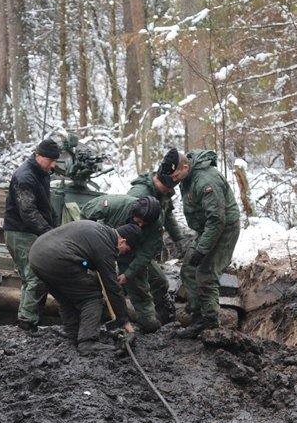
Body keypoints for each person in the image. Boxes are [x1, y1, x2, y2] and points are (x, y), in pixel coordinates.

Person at [29, 220, 139, 355]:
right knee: (92, 297)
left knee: (66, 297)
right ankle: (88, 342)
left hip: (36, 256)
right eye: (125, 251)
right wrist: (124, 321)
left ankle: (73, 333)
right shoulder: (106, 245)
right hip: (56, 258)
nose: (121, 254)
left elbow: (85, 258)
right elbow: (112, 287)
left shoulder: (99, 230)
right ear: (122, 241)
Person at [166, 148, 241, 338]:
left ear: (185, 166)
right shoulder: (187, 177)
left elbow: (217, 220)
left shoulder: (206, 180)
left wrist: (202, 249)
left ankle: (210, 324)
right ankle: (197, 315)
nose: (174, 179)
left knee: (206, 275)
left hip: (223, 229)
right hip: (206, 229)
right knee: (189, 270)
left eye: (176, 175)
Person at [80, 194, 163, 332]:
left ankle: (148, 322)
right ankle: (95, 320)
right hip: (103, 244)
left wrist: (128, 274)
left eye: (145, 223)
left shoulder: (155, 223)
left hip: (132, 251)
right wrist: (91, 242)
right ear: (134, 212)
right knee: (91, 282)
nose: (141, 224)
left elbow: (146, 254)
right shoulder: (116, 205)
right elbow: (85, 213)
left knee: (139, 286)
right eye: (139, 220)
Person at [3, 138, 60, 332]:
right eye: (50, 160)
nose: (53, 165)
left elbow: (45, 205)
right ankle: (26, 323)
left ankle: (31, 320)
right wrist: (49, 233)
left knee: (36, 275)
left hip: (32, 231)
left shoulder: (42, 173)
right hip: (20, 231)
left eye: (55, 160)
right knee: (35, 275)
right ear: (38, 156)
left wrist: (55, 226)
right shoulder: (25, 176)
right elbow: (28, 212)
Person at [127, 152, 189, 324]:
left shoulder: (162, 193)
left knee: (158, 282)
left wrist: (179, 239)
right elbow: (126, 225)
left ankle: (162, 317)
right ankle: (150, 320)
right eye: (168, 189)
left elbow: (167, 216)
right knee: (153, 282)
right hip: (133, 246)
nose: (171, 192)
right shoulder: (139, 194)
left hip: (147, 244)